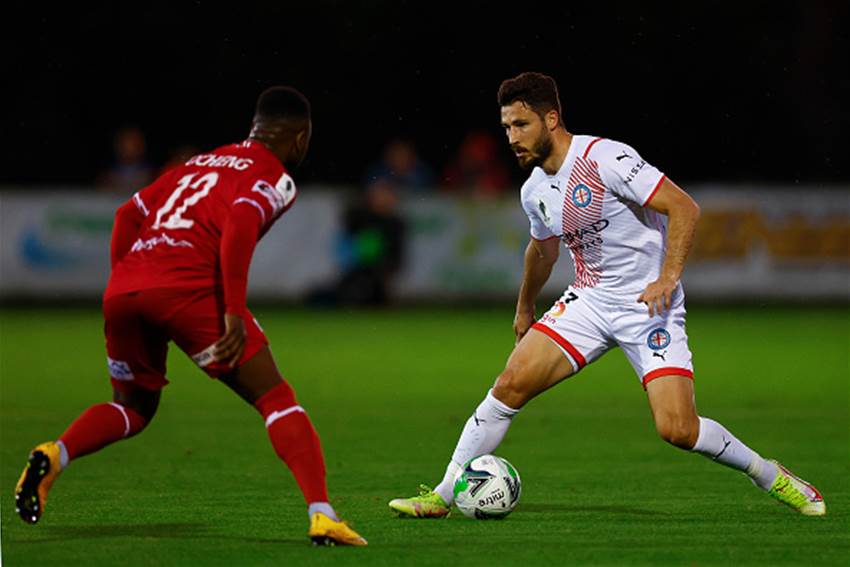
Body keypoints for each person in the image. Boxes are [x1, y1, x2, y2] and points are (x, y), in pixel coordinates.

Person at [389, 72, 825, 518]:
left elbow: (684, 207)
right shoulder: (534, 189)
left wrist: (668, 277)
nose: (511, 138)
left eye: (520, 125)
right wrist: (524, 306)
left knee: (677, 428)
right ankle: (443, 495)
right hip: (590, 301)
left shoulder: (606, 158)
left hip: (648, 306)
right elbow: (542, 250)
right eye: (506, 127)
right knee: (509, 385)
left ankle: (771, 475)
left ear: (551, 119)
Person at [15, 86, 367, 546]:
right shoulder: (274, 176)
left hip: (126, 286)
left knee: (132, 407)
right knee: (276, 398)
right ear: (300, 138)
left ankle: (55, 453)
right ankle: (322, 515)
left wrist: (127, 280)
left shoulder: (201, 161)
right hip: (188, 288)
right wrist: (234, 311)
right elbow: (241, 222)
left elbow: (127, 215)